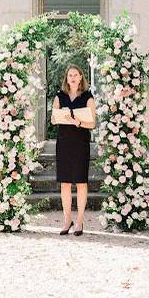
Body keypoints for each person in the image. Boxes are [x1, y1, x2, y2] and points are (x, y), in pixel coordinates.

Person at [51, 65, 96, 236]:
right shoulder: (59, 96)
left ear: (81, 77)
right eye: (70, 75)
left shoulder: (87, 97)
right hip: (63, 143)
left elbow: (92, 124)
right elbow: (54, 120)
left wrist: (77, 122)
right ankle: (66, 220)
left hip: (80, 143)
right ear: (66, 78)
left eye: (75, 75)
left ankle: (79, 222)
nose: (73, 78)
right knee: (65, 183)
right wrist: (61, 116)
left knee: (81, 182)